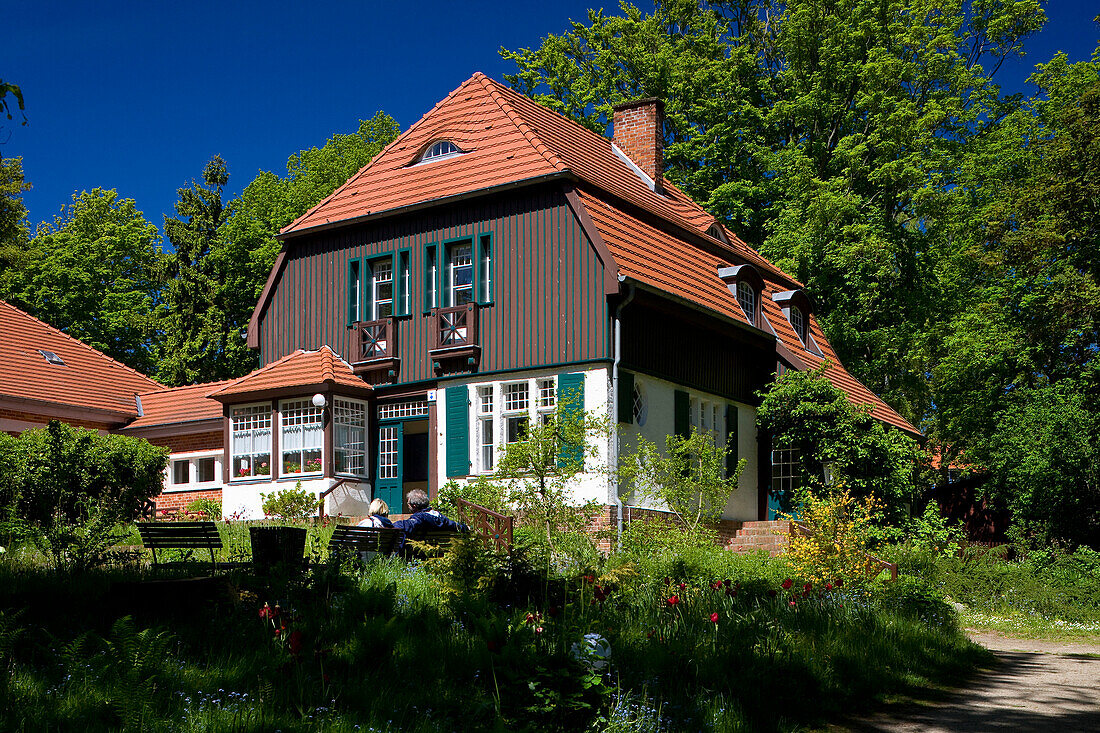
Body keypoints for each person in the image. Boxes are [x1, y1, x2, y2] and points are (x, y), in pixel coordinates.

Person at [392, 489, 467, 553]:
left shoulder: (420, 518)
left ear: (414, 506)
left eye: (408, 503)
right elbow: (456, 526)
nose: (408, 505)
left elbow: (407, 525)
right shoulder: (440, 517)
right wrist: (466, 528)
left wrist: (389, 525)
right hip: (439, 553)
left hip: (422, 554)